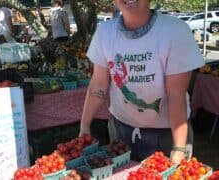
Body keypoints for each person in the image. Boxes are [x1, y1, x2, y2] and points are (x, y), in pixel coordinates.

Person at [79, 0, 204, 165]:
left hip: (167, 135)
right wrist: (84, 127)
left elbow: (176, 94)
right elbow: (98, 84)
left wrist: (179, 148)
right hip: (121, 132)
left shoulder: (175, 31)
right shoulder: (105, 32)